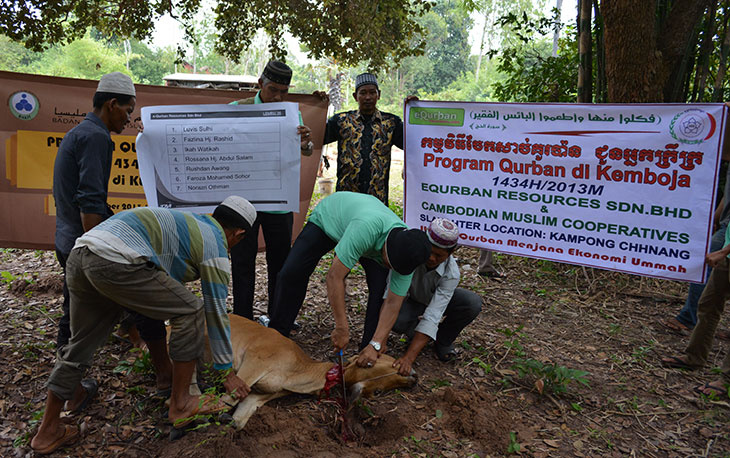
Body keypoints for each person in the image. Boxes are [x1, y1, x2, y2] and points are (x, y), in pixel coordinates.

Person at [30, 197, 255, 454]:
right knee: (192, 310)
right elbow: (215, 311)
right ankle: (181, 403)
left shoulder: (192, 225)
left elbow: (156, 293)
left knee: (79, 344)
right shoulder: (215, 245)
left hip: (83, 253)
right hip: (114, 261)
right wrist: (226, 370)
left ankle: (47, 430)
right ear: (239, 233)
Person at [268, 192, 431, 367]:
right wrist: (341, 327)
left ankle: (367, 352)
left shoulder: (409, 253)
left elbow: (393, 302)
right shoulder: (366, 229)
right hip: (331, 218)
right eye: (389, 262)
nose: (391, 268)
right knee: (291, 273)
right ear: (387, 247)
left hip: (367, 231)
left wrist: (377, 342)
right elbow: (334, 277)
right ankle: (278, 335)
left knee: (379, 291)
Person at [228, 60, 325, 323]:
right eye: (273, 90)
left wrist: (306, 143)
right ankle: (243, 320)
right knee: (242, 263)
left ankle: (278, 320)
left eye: (284, 91)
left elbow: (305, 150)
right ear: (260, 84)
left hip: (278, 203)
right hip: (243, 205)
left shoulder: (290, 114)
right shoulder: (237, 109)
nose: (278, 96)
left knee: (280, 264)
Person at [391, 218, 482, 375]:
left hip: (435, 301)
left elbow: (434, 314)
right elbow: (392, 296)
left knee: (472, 303)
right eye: (430, 252)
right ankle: (415, 332)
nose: (432, 258)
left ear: (451, 253)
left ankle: (443, 341)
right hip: (411, 300)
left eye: (439, 256)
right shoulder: (411, 253)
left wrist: (408, 358)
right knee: (397, 321)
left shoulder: (451, 273)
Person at [663, 164, 730, 339]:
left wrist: (724, 251)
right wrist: (713, 219)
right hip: (726, 226)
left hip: (728, 231)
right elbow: (727, 197)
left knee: (704, 265)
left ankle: (688, 318)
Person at [661, 235, 730, 397]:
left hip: (725, 252)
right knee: (708, 305)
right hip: (726, 256)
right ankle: (694, 357)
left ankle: (727, 380)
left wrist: (724, 251)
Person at [323, 72, 403, 205]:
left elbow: (414, 143)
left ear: (379, 95)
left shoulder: (391, 123)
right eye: (363, 93)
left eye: (372, 92)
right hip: (347, 198)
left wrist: (414, 110)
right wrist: (316, 105)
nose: (368, 97)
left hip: (377, 199)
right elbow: (316, 136)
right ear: (355, 96)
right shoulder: (341, 121)